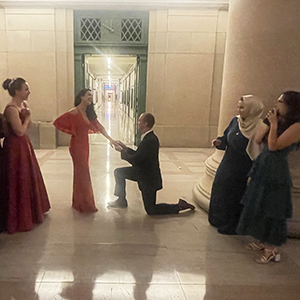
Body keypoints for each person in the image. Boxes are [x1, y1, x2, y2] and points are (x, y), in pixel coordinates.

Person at [237, 91, 300, 264]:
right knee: (257, 204)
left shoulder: (297, 126)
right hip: (263, 164)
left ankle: (271, 250)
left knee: (271, 207)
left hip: (276, 169)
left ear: (290, 105)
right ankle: (261, 239)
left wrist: (273, 125)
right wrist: (268, 122)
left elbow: (274, 146)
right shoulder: (278, 120)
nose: (277, 104)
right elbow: (257, 139)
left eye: (280, 101)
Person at [108, 112, 195, 214]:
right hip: (142, 172)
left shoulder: (150, 140)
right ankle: (121, 200)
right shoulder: (148, 137)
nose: (137, 123)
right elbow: (139, 155)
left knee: (151, 209)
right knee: (119, 172)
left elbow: (136, 160)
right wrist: (125, 148)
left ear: (145, 124)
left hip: (148, 178)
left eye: (139, 121)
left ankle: (179, 206)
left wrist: (122, 151)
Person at [54, 88, 116, 213]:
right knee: (83, 174)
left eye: (91, 96)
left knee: (81, 174)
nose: (90, 98)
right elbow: (58, 122)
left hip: (85, 145)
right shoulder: (74, 112)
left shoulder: (89, 113)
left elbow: (99, 126)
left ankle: (79, 201)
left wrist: (111, 139)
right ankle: (85, 203)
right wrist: (72, 131)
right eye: (88, 95)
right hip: (76, 146)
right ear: (81, 97)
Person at [208, 95, 264, 235]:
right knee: (221, 190)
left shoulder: (259, 126)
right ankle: (217, 219)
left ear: (252, 109)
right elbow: (226, 137)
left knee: (235, 195)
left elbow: (258, 150)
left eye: (242, 107)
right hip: (228, 163)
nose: (238, 109)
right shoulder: (235, 121)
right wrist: (220, 142)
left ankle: (232, 224)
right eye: (238, 106)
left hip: (243, 167)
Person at [2, 77, 50, 234]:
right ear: (17, 91)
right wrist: (27, 116)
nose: (28, 92)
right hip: (15, 146)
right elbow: (19, 131)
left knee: (27, 176)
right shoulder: (11, 109)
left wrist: (28, 115)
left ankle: (32, 212)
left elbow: (29, 126)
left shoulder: (22, 105)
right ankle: (19, 217)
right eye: (26, 89)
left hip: (24, 145)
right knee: (18, 178)